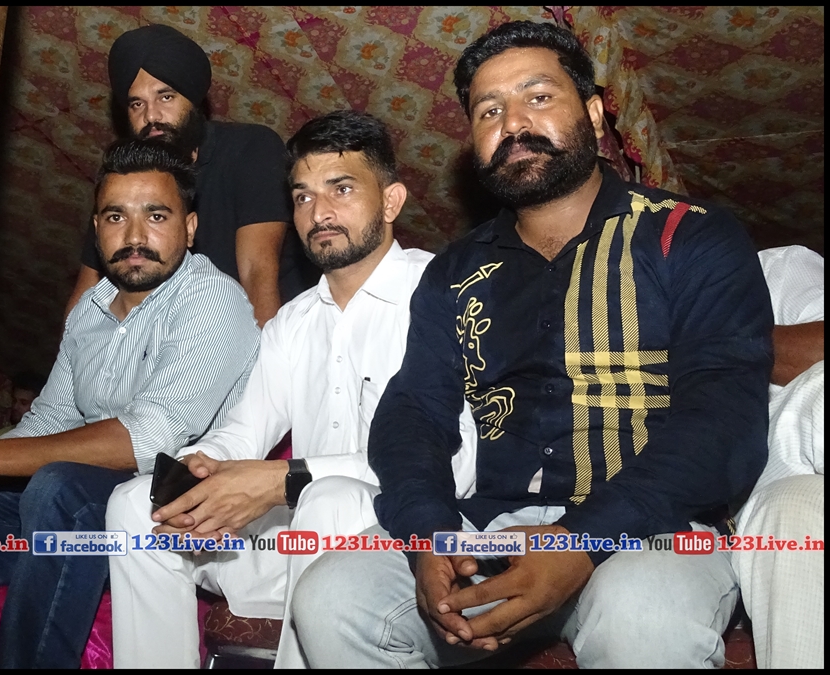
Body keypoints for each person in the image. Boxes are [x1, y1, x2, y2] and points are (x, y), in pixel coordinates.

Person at [291, 20, 772, 668]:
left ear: (594, 114)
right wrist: (429, 534)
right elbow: (413, 414)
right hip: (489, 525)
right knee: (332, 596)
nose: (513, 123)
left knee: (642, 613)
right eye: (489, 111)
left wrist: (579, 540)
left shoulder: (688, 236)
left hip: (653, 526)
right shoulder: (455, 270)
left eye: (538, 97)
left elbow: (726, 419)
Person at [106, 110, 479, 668]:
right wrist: (200, 469)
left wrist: (291, 479)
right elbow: (243, 432)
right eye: (303, 196)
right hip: (292, 542)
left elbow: (461, 464)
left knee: (329, 498)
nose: (318, 212)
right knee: (137, 504)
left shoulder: (444, 295)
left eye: (341, 189)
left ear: (392, 201)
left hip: (405, 546)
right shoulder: (292, 322)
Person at [0, 138, 260, 668]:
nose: (134, 236)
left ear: (190, 227)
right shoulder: (90, 311)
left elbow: (149, 438)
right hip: (76, 498)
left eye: (156, 216)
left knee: (60, 489)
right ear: (96, 228)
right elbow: (50, 418)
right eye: (115, 217)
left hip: (171, 500)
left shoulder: (211, 297)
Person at [64, 23, 316, 326]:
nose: (151, 116)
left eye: (165, 97)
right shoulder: (124, 179)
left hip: (273, 330)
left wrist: (266, 356)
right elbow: (88, 292)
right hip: (175, 338)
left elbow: (256, 271)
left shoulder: (249, 148)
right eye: (137, 104)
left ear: (193, 99)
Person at [732, 245, 824, 669]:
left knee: (793, 504)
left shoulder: (771, 271)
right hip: (692, 522)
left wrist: (706, 335)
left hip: (785, 491)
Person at [0, 370, 46, 441]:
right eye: (14, 401)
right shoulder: (2, 434)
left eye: (23, 403)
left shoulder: (48, 438)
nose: (15, 407)